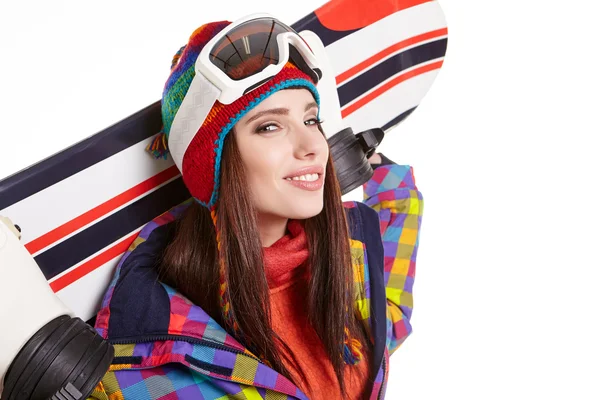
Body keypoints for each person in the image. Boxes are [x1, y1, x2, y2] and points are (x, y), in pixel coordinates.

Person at [88, 16, 423, 400]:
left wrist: (385, 177)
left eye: (311, 119)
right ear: (212, 165)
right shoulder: (155, 350)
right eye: (270, 127)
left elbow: (389, 310)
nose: (313, 146)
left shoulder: (346, 265)